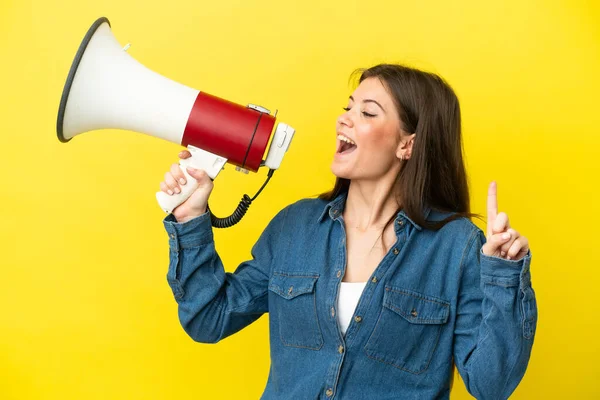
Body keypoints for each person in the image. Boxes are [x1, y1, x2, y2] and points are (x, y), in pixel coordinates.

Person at [160, 64, 537, 399]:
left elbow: (491, 385)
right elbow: (210, 318)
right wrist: (191, 218)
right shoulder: (296, 227)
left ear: (408, 144)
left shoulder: (456, 247)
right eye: (348, 108)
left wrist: (504, 277)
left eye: (367, 112)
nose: (345, 119)